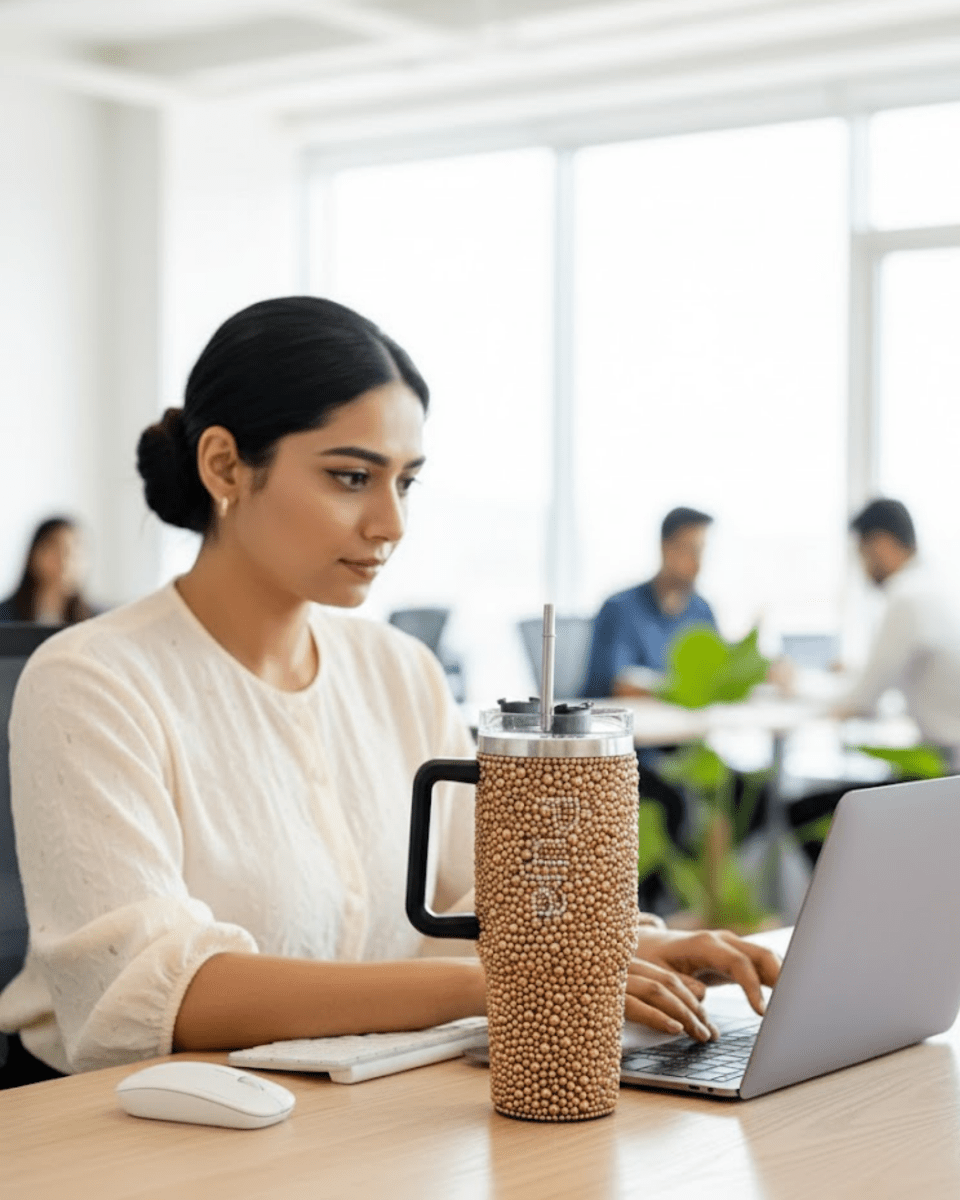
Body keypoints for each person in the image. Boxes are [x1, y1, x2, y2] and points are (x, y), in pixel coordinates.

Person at [0, 298, 778, 1086]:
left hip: (359, 1100)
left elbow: (483, 897)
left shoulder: (399, 669)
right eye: (351, 477)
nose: (391, 522)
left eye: (405, 482)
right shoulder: (92, 680)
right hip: (133, 1129)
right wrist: (495, 988)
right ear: (225, 466)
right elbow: (153, 991)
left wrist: (620, 946)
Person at [583, 507, 717, 699]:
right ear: (665, 548)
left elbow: (714, 677)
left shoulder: (702, 611)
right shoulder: (620, 608)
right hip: (623, 724)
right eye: (691, 550)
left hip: (683, 724)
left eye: (702, 552)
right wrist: (681, 690)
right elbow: (620, 684)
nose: (698, 564)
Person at [0, 516, 95, 625]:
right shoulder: (4, 617)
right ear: (34, 555)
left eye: (74, 552)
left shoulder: (98, 622)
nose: (65, 561)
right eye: (56, 549)